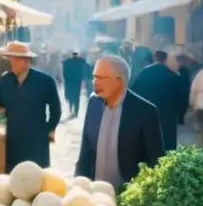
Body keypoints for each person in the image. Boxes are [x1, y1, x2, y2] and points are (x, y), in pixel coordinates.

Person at [76, 54, 164, 190]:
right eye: (94, 77)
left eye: (101, 78)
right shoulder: (93, 102)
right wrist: (78, 184)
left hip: (128, 196)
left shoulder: (146, 111)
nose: (94, 82)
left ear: (120, 81)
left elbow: (155, 160)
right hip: (94, 193)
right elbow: (85, 150)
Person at [0, 41, 61, 169]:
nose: (10, 63)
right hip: (12, 140)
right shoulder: (2, 83)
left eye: (14, 60)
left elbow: (55, 110)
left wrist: (49, 129)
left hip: (37, 140)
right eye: (9, 59)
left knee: (38, 178)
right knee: (14, 178)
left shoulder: (46, 81)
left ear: (25, 60)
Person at [130, 50, 184, 150]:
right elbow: (181, 97)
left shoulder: (143, 74)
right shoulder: (173, 75)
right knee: (168, 144)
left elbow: (133, 93)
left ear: (155, 58)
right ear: (165, 59)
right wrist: (180, 115)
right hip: (168, 116)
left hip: (145, 113)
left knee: (148, 143)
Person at [61, 51, 89, 117]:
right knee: (76, 96)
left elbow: (64, 73)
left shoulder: (67, 62)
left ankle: (71, 109)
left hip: (70, 81)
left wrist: (65, 80)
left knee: (71, 95)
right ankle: (76, 111)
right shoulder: (80, 61)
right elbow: (84, 68)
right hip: (77, 81)